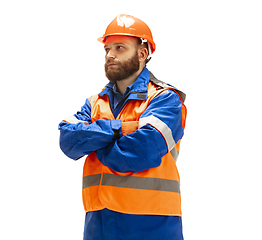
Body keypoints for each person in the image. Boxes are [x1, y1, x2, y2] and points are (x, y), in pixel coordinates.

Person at [58, 14, 187, 240]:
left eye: (120, 48)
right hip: (98, 222)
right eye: (107, 49)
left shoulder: (165, 99)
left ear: (142, 54)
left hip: (151, 223)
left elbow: (138, 153)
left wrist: (93, 140)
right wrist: (119, 129)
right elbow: (68, 140)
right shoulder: (95, 102)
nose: (110, 55)